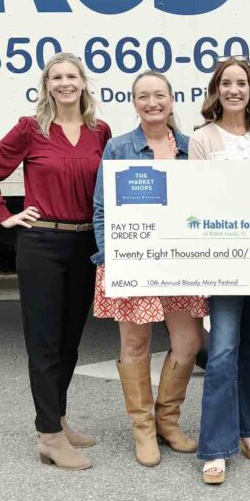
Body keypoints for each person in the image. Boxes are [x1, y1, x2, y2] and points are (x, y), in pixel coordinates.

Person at [0, 52, 111, 470]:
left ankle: (59, 418)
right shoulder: (31, 130)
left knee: (70, 340)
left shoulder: (99, 131)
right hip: (41, 246)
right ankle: (48, 436)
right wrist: (4, 215)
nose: (65, 83)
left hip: (83, 244)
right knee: (45, 342)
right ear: (47, 85)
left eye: (72, 76)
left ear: (84, 83)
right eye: (57, 77)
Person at [92, 71, 208, 467]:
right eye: (144, 96)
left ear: (173, 100)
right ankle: (142, 428)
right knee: (135, 344)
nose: (152, 102)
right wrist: (112, 259)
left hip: (180, 263)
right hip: (134, 263)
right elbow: (102, 208)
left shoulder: (192, 148)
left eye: (159, 95)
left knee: (189, 342)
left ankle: (167, 420)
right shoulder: (119, 147)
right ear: (134, 102)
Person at [188, 57, 250, 484]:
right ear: (216, 90)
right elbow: (201, 199)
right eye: (227, 83)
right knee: (222, 350)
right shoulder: (202, 139)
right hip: (222, 260)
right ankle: (216, 446)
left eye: (242, 83)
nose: (234, 90)